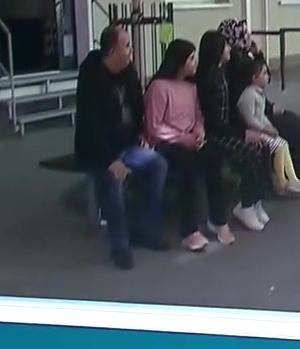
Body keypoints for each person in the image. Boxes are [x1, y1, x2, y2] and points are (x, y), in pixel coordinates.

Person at [74, 25, 170, 269]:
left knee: (158, 164)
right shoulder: (92, 77)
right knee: (112, 182)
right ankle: (120, 245)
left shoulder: (128, 72)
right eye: (127, 46)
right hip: (97, 152)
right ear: (112, 51)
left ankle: (146, 228)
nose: (131, 50)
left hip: (127, 145)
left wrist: (142, 134)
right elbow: (90, 125)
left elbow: (137, 107)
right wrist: (110, 160)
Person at [217, 18, 300, 197]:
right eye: (244, 33)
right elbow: (256, 77)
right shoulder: (236, 61)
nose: (249, 36)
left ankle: (296, 179)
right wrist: (257, 54)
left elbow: (260, 79)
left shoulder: (241, 57)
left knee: (292, 122)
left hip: (255, 110)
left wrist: (255, 53)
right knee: (293, 125)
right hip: (249, 117)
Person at [142, 38, 233, 252]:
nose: (195, 63)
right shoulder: (159, 87)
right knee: (189, 166)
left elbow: (198, 116)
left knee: (215, 157)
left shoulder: (191, 87)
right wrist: (184, 139)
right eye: (191, 59)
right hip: (165, 143)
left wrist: (199, 134)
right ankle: (189, 230)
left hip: (191, 139)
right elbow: (154, 126)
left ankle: (218, 219)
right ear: (180, 62)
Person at [194, 29, 273, 232]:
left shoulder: (222, 73)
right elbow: (214, 120)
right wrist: (242, 133)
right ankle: (245, 206)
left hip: (226, 129)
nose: (229, 49)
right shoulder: (207, 80)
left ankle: (255, 201)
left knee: (261, 147)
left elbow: (229, 111)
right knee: (250, 153)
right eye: (225, 46)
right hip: (214, 135)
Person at [238, 58, 300, 197]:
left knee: (283, 144)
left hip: (262, 129)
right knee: (279, 147)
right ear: (254, 78)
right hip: (255, 132)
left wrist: (269, 125)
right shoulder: (249, 96)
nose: (267, 76)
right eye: (264, 74)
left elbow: (261, 115)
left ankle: (290, 180)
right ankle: (282, 182)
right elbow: (250, 119)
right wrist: (265, 129)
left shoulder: (259, 94)